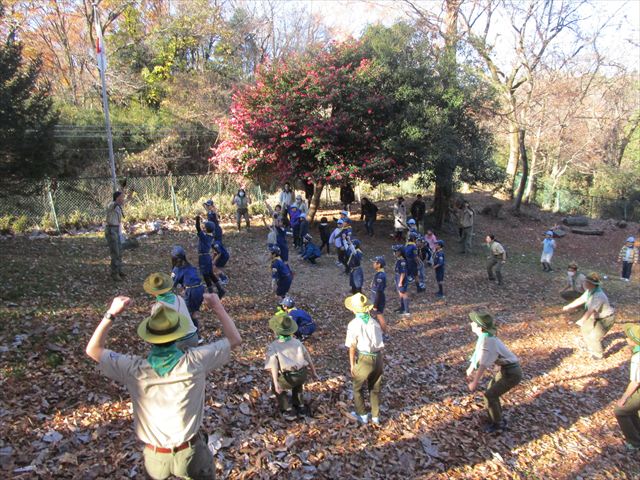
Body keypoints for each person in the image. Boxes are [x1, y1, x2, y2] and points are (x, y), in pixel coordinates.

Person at [85, 293, 242, 480]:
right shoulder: (194, 362)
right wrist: (217, 306)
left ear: (149, 337)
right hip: (190, 452)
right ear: (178, 335)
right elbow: (235, 340)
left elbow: (93, 350)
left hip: (155, 456)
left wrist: (111, 313)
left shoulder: (134, 369)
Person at [466, 310, 522, 433]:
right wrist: (470, 367)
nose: (470, 323)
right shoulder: (484, 337)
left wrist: (474, 382)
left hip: (512, 373)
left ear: (480, 327)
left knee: (490, 395)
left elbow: (483, 364)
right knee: (491, 390)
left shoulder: (488, 341)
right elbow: (478, 354)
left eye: (473, 322)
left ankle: (498, 424)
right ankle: (496, 417)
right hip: (506, 370)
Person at [264, 312, 319, 419]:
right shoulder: (297, 342)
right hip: (302, 373)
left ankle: (287, 410)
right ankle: (300, 406)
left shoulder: (274, 346)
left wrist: (275, 383)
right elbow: (307, 356)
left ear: (276, 331)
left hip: (288, 377)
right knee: (298, 387)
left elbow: (273, 366)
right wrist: (314, 372)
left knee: (278, 389)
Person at [344, 293, 387, 425]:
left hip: (364, 358)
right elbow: (384, 330)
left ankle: (362, 415)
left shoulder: (353, 324)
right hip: (378, 358)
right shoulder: (374, 323)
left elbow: (351, 347)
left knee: (357, 387)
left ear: (353, 309)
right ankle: (375, 416)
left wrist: (352, 365)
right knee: (374, 388)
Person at [562, 272, 615, 360]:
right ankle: (590, 347)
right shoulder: (590, 291)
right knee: (585, 330)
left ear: (591, 284)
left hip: (605, 319)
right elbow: (581, 299)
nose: (584, 284)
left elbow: (591, 310)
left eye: (586, 282)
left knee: (594, 336)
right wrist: (569, 306)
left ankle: (598, 355)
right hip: (594, 316)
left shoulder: (598, 295)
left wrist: (582, 320)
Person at [144, 272, 199, 350]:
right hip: (193, 337)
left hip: (178, 342)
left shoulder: (157, 307)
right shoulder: (179, 298)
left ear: (153, 292)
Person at [614, 324, 640, 451]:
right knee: (632, 410)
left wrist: (623, 398)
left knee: (620, 412)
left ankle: (634, 442)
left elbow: (635, 382)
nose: (626, 339)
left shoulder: (637, 357)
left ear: (634, 342)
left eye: (628, 338)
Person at [170, 246, 206, 329]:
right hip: (200, 289)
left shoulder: (177, 269)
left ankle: (191, 333)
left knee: (185, 312)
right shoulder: (190, 266)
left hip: (191, 292)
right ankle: (197, 334)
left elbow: (171, 284)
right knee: (193, 312)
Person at [195, 216, 225, 298]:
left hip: (203, 258)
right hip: (207, 257)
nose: (203, 228)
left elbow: (197, 228)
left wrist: (197, 219)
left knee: (206, 276)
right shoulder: (210, 237)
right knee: (211, 274)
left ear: (207, 229)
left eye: (204, 227)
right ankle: (220, 290)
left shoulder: (204, 237)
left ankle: (211, 294)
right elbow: (218, 251)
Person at [105, 191, 126, 281]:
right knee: (115, 252)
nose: (123, 199)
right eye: (121, 197)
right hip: (111, 229)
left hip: (117, 229)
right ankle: (114, 273)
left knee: (120, 251)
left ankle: (119, 270)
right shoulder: (112, 205)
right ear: (117, 198)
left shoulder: (119, 207)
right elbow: (113, 206)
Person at [369, 256, 388, 329]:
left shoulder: (380, 276)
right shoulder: (379, 273)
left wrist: (375, 305)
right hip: (376, 297)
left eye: (374, 263)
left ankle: (385, 334)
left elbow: (378, 292)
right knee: (376, 316)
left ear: (379, 264)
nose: (373, 264)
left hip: (378, 299)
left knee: (380, 316)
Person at [392, 244, 410, 316]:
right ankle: (402, 307)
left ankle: (407, 311)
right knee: (400, 293)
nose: (394, 253)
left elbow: (403, 273)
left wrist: (400, 282)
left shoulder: (402, 261)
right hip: (398, 277)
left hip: (401, 278)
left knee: (404, 293)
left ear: (400, 252)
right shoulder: (399, 259)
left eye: (396, 251)